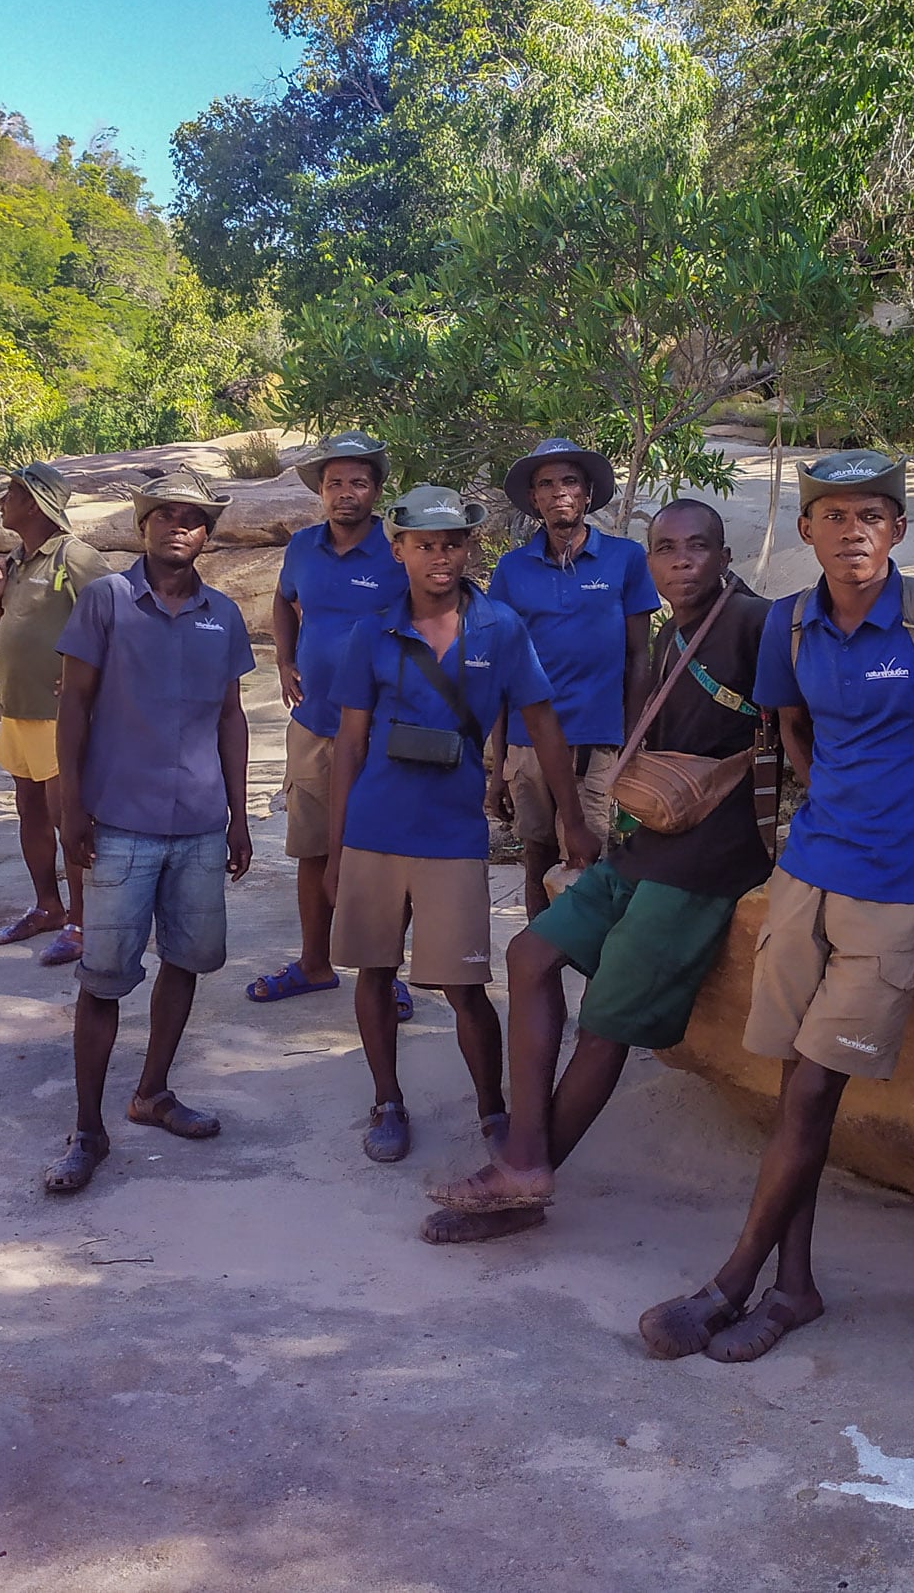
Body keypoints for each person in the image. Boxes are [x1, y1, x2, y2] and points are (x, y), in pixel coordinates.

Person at [639, 451, 914, 1367]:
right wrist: (827, 792)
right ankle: (795, 1288)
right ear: (806, 531)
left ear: (898, 531)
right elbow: (788, 724)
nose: (854, 532)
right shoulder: (793, 623)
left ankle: (731, 1282)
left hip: (901, 885)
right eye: (834, 516)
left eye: (873, 516)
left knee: (811, 1085)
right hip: (811, 870)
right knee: (790, 1089)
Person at [422, 498, 773, 1245]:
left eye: (698, 546)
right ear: (648, 561)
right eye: (666, 547)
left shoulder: (752, 622)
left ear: (723, 555)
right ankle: (525, 1158)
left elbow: (801, 720)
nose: (681, 560)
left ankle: (524, 1173)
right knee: (529, 952)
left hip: (703, 862)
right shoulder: (672, 627)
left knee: (606, 1017)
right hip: (645, 843)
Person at [324, 484, 600, 1165]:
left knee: (465, 985)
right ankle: (387, 1099)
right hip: (375, 826)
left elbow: (543, 724)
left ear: (470, 547)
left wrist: (573, 818)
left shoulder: (501, 628)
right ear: (399, 551)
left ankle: (490, 1106)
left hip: (451, 833)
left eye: (452, 543)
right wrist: (335, 849)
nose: (439, 558)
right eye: (424, 545)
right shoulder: (373, 631)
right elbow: (350, 745)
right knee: (374, 968)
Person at [40, 469, 256, 1195]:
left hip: (198, 822)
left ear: (206, 534)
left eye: (193, 518)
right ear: (144, 526)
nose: (178, 527)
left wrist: (238, 813)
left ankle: (153, 1091)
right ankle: (87, 1130)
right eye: (165, 515)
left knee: (186, 961)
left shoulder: (222, 614)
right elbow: (73, 707)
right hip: (121, 820)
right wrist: (72, 807)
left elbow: (230, 715)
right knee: (103, 980)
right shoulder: (105, 601)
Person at [248, 431, 411, 1012]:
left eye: (359, 483)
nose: (346, 493)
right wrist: (284, 660)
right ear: (320, 491)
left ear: (376, 490)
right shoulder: (302, 547)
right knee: (313, 848)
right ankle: (315, 963)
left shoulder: (398, 552)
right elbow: (283, 602)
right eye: (336, 483)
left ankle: (385, 974)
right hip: (314, 723)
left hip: (384, 729)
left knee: (384, 852)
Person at [487, 437, 658, 921]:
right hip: (527, 743)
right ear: (534, 500)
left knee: (589, 855)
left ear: (587, 494)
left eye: (569, 481)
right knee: (537, 850)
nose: (559, 492)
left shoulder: (623, 559)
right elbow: (502, 670)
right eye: (546, 484)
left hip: (598, 738)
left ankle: (588, 962)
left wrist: (632, 741)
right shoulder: (512, 569)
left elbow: (639, 655)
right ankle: (539, 950)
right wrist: (499, 761)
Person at [0, 461, 109, 967]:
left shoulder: (75, 558)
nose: (3, 502)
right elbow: (19, 625)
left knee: (66, 816)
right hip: (20, 711)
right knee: (29, 811)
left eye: (11, 492)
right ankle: (47, 907)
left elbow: (116, 620)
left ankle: (81, 921)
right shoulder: (17, 560)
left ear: (33, 502)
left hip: (61, 714)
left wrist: (94, 683)